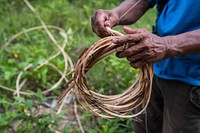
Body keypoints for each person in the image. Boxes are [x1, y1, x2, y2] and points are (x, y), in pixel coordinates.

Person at [91, 0, 200, 133]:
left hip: (193, 82)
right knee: (145, 126)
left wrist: (167, 44)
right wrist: (116, 13)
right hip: (156, 68)